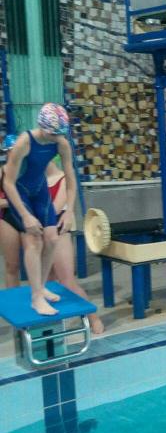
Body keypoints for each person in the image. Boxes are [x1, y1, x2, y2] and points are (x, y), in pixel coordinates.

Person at [2, 104, 78, 316]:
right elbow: (8, 182)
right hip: (20, 192)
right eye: (53, 134)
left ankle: (41, 286)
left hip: (39, 190)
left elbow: (71, 181)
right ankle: (36, 298)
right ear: (42, 127)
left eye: (60, 134)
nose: (57, 138)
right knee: (34, 240)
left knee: (52, 238)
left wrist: (69, 211)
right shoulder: (24, 142)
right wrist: (25, 215)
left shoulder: (61, 143)